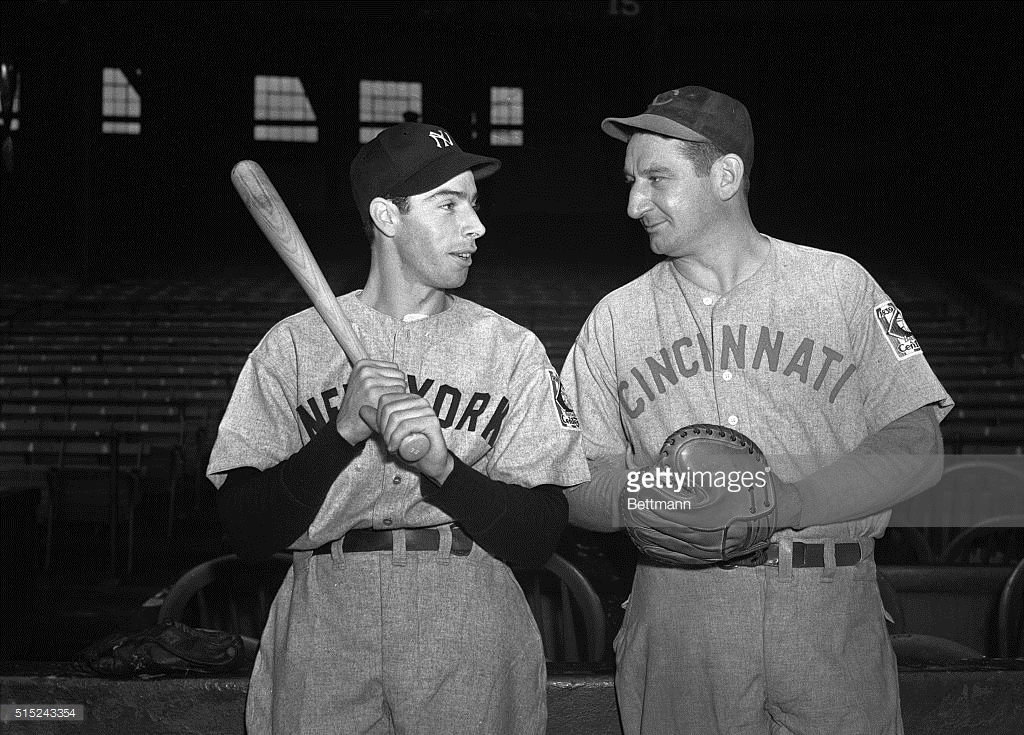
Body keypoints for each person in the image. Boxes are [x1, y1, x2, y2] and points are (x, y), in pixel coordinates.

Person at [559, 86, 952, 734]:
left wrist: (789, 503)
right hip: (681, 614)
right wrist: (648, 495)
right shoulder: (615, 317)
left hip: (828, 615)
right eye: (630, 181)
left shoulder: (839, 284)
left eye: (655, 178)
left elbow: (919, 446)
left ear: (726, 174)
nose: (633, 203)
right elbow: (575, 478)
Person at [208, 122, 590, 734]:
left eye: (474, 204)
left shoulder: (511, 349)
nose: (476, 226)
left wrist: (445, 470)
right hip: (324, 612)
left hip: (466, 609)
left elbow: (540, 534)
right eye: (449, 204)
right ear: (387, 215)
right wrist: (339, 436)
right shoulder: (293, 347)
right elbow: (246, 529)